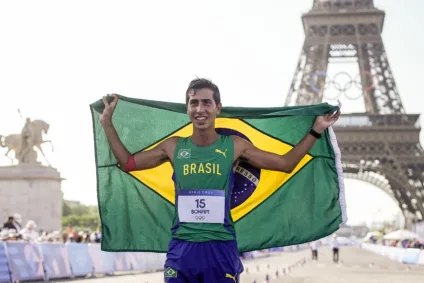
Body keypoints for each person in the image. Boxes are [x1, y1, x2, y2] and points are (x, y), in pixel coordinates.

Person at [100, 78, 341, 283]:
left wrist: (316, 129)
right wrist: (107, 124)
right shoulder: (173, 147)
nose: (200, 108)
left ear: (218, 108)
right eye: (194, 103)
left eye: (207, 102)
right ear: (187, 109)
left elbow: (286, 164)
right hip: (181, 248)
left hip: (220, 247)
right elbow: (128, 163)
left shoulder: (235, 146)